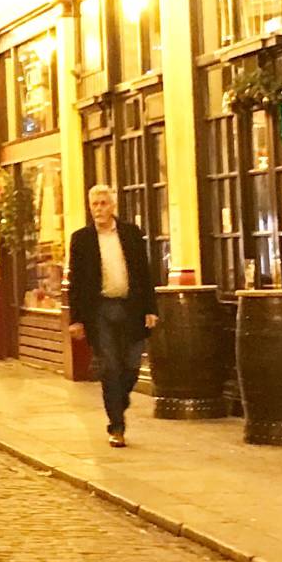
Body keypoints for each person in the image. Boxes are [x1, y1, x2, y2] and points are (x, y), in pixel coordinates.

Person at [67, 184, 158, 447]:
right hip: (101, 310)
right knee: (109, 366)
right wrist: (75, 319)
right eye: (94, 204)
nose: (99, 209)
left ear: (113, 206)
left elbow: (144, 273)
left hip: (131, 308)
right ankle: (116, 425)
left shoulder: (131, 234)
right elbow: (76, 281)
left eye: (103, 203)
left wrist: (151, 309)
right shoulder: (81, 239)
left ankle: (120, 400)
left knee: (130, 366)